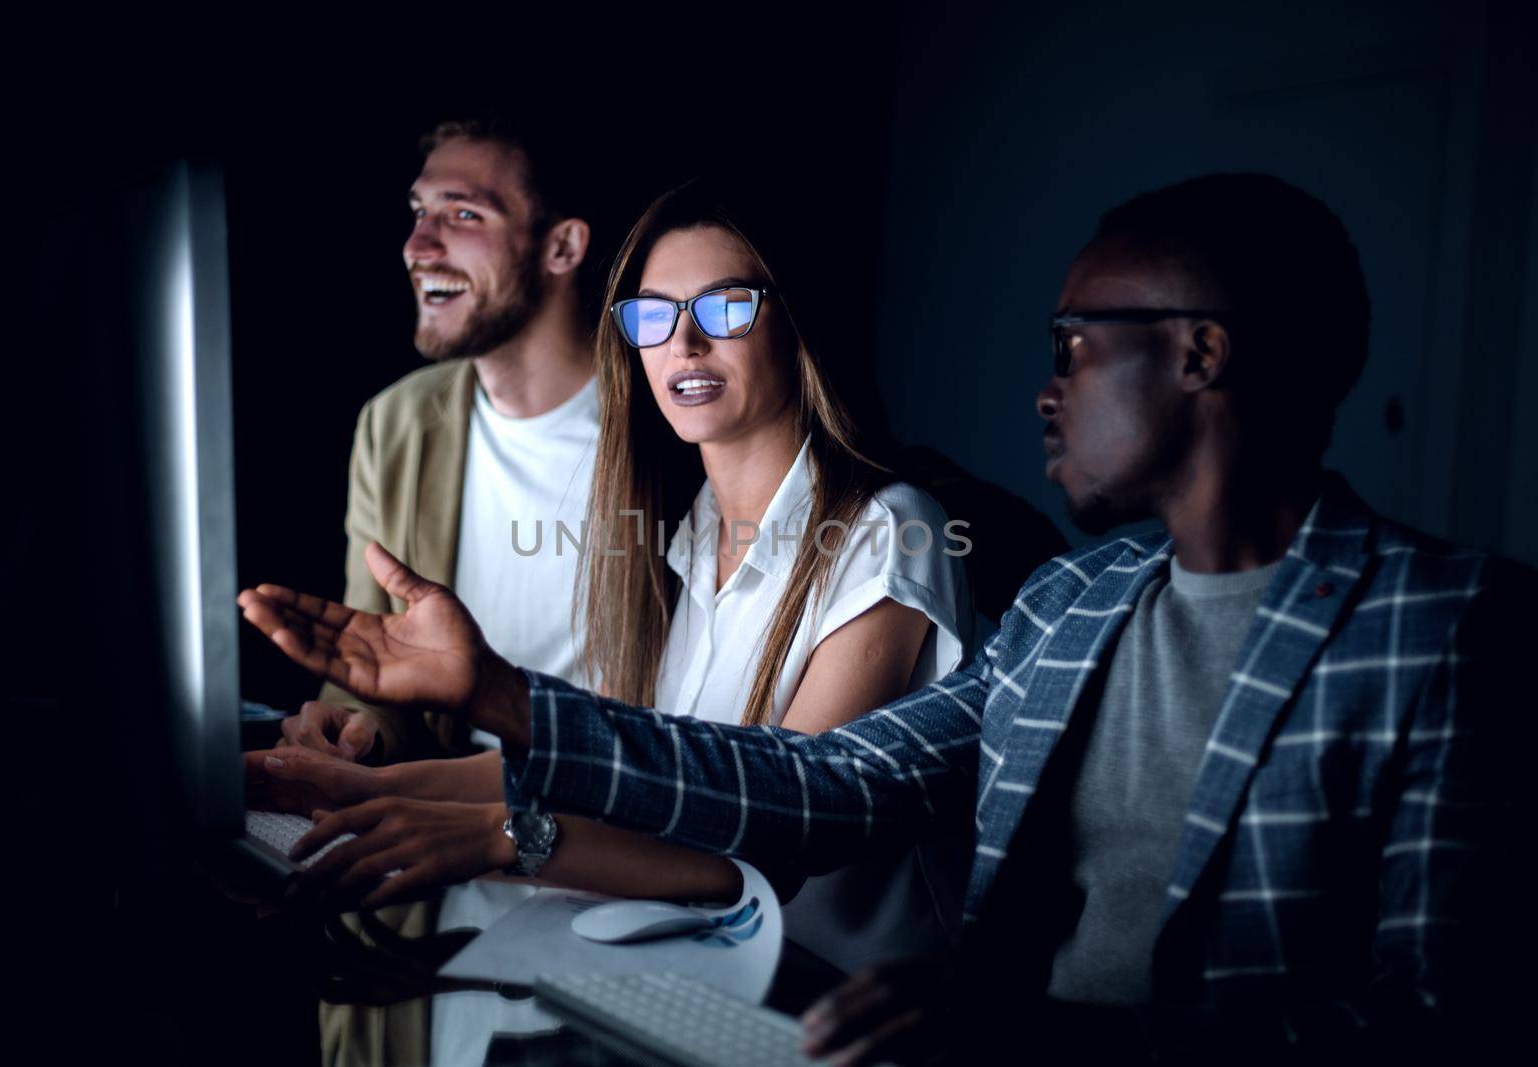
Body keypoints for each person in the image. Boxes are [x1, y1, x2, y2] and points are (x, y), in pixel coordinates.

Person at [241, 173, 1531, 1064]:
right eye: (653, 317)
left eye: (1076, 343)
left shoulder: (1450, 623)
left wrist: (1055, 1043)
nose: (1042, 388)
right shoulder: (1071, 602)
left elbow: (1448, 1025)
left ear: (1199, 354)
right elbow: (818, 785)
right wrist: (492, 703)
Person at [249, 181, 984, 975]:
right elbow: (635, 775)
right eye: (653, 315)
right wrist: (354, 791)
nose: (684, 344)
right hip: (710, 983)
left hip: (843, 1006)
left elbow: (780, 826)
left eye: (724, 307)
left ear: (795, 319)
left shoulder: (892, 530)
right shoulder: (682, 534)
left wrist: (502, 837)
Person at [274, 114, 601, 765]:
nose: (417, 246)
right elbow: (372, 670)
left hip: (617, 832)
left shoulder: (675, 425)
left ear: (561, 247)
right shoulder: (393, 424)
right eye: (420, 211)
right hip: (444, 821)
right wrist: (353, 728)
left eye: (464, 215)